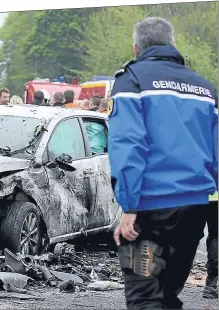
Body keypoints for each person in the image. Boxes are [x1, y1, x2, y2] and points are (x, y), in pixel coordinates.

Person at [109, 17, 217, 310]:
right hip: (194, 210)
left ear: (135, 48)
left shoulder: (131, 80)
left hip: (148, 213)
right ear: (173, 45)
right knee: (168, 294)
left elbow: (128, 146)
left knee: (144, 295)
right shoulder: (205, 88)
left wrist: (129, 207)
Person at [203, 192, 218, 298]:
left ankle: (169, 283)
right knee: (216, 236)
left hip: (193, 194)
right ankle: (210, 285)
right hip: (215, 196)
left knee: (187, 237)